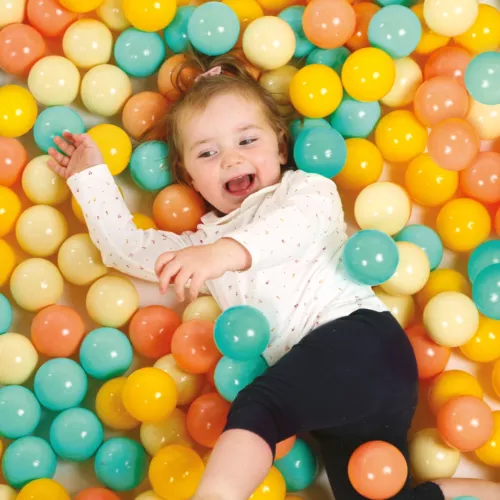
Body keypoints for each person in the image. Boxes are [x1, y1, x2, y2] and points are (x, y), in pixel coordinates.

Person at [48, 56, 498, 500]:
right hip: (340, 403)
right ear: (189, 176)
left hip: (363, 347)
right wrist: (89, 176)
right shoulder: (201, 246)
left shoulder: (306, 192)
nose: (229, 158)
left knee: (258, 407)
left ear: (281, 148)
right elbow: (125, 249)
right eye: (207, 152)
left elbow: (292, 231)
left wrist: (221, 255)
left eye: (247, 140)